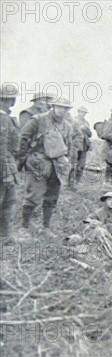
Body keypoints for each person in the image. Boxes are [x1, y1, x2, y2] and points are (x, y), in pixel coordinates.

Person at [17, 97, 75, 235]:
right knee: (34, 194)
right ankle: (24, 227)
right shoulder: (38, 120)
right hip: (38, 162)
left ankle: (46, 227)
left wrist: (68, 162)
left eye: (65, 108)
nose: (61, 110)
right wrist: (22, 159)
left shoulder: (67, 126)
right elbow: (23, 139)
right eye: (59, 107)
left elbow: (69, 146)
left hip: (57, 165)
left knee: (52, 196)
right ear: (53, 106)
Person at [0, 83, 20, 241]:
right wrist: (6, 174)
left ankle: (5, 235)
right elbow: (2, 149)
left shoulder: (6, 118)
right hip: (4, 168)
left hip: (8, 166)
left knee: (9, 201)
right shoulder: (2, 119)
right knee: (6, 200)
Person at [71, 106, 93, 186]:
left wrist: (87, 130)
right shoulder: (72, 120)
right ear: (78, 111)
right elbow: (70, 132)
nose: (83, 114)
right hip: (75, 145)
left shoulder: (86, 122)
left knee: (81, 165)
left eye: (85, 113)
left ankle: (77, 181)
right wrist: (81, 128)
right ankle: (70, 181)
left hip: (84, 145)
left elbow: (90, 134)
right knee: (72, 163)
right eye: (82, 112)